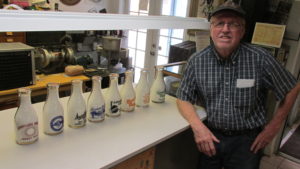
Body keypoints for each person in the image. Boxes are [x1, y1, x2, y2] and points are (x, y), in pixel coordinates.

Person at [176, 1, 300, 169]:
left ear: (242, 31)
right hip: (210, 135)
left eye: (233, 24)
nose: (225, 29)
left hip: (246, 143)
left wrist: (273, 128)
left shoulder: (259, 58)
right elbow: (183, 97)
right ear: (211, 29)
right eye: (219, 23)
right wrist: (198, 128)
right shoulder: (196, 61)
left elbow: (292, 88)